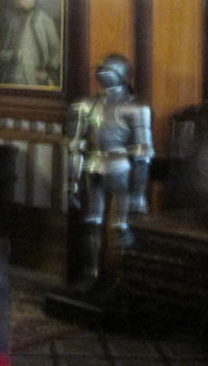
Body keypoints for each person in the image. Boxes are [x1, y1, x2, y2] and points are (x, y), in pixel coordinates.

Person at [65, 54, 153, 291]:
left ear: (122, 74)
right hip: (94, 166)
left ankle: (123, 280)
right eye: (101, 68)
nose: (101, 72)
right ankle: (92, 272)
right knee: (92, 222)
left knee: (122, 226)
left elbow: (143, 152)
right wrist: (72, 184)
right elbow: (76, 146)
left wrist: (138, 194)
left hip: (121, 167)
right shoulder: (86, 104)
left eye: (108, 69)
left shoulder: (136, 107)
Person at [0, 0, 60, 87]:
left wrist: (48, 72)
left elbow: (55, 52)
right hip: (10, 80)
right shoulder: (10, 20)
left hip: (34, 82)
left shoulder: (44, 20)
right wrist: (12, 55)